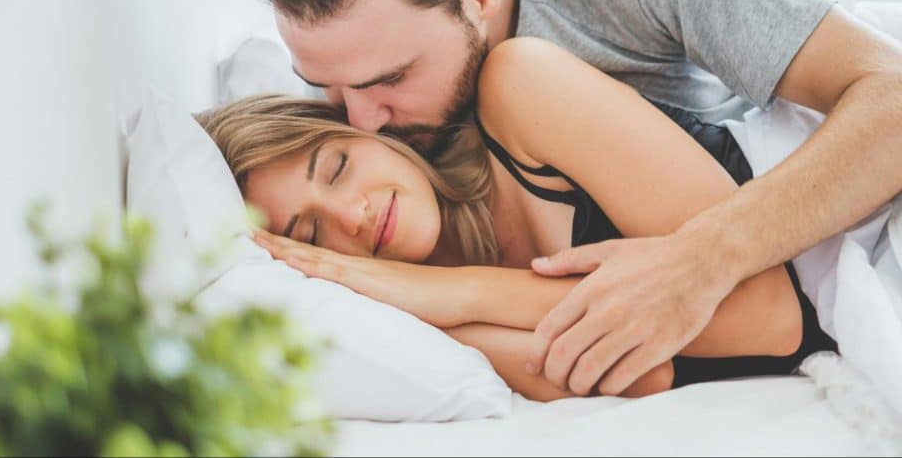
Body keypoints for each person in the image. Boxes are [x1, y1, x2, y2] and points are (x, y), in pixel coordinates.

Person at [238, 0, 902, 396]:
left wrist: (700, 259)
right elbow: (611, 370)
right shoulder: (375, 150)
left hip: (821, 197)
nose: (361, 122)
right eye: (329, 92)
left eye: (389, 78)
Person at [196, 36, 837, 401]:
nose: (352, 216)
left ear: (363, 128)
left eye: (336, 167)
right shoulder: (411, 323)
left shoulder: (519, 88)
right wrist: (416, 307)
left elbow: (770, 317)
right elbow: (645, 376)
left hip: (855, 222)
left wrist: (451, 291)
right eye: (312, 235)